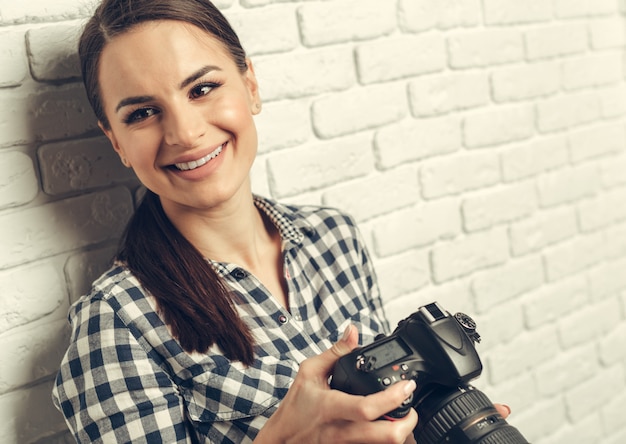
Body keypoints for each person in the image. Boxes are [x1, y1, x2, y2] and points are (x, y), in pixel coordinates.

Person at [52, 1, 509, 442]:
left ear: (250, 85)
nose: (185, 133)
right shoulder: (115, 324)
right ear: (115, 140)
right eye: (143, 113)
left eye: (202, 88)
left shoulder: (335, 237)